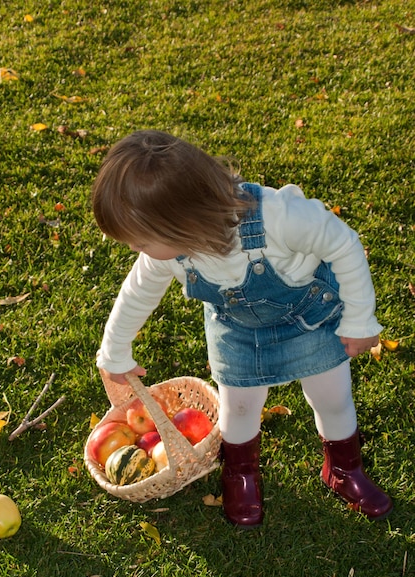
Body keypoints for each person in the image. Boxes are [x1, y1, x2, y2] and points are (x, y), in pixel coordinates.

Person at [92, 129, 392, 527]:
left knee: (332, 397)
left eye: (140, 242)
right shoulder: (167, 253)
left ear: (180, 224)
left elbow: (343, 245)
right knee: (239, 408)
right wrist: (114, 351)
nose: (135, 250)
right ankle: (241, 473)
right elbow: (137, 293)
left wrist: (359, 319)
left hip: (307, 320)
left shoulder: (280, 217)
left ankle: (343, 468)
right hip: (237, 331)